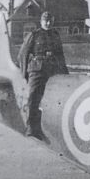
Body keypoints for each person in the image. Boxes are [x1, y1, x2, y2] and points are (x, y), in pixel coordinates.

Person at [18, 10, 68, 138]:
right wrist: (24, 74)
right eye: (46, 20)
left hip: (53, 69)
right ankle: (31, 127)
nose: (48, 22)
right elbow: (23, 54)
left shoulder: (56, 35)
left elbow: (60, 55)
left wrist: (65, 73)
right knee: (33, 96)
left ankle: (49, 127)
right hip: (37, 70)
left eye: (50, 20)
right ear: (41, 22)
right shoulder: (34, 35)